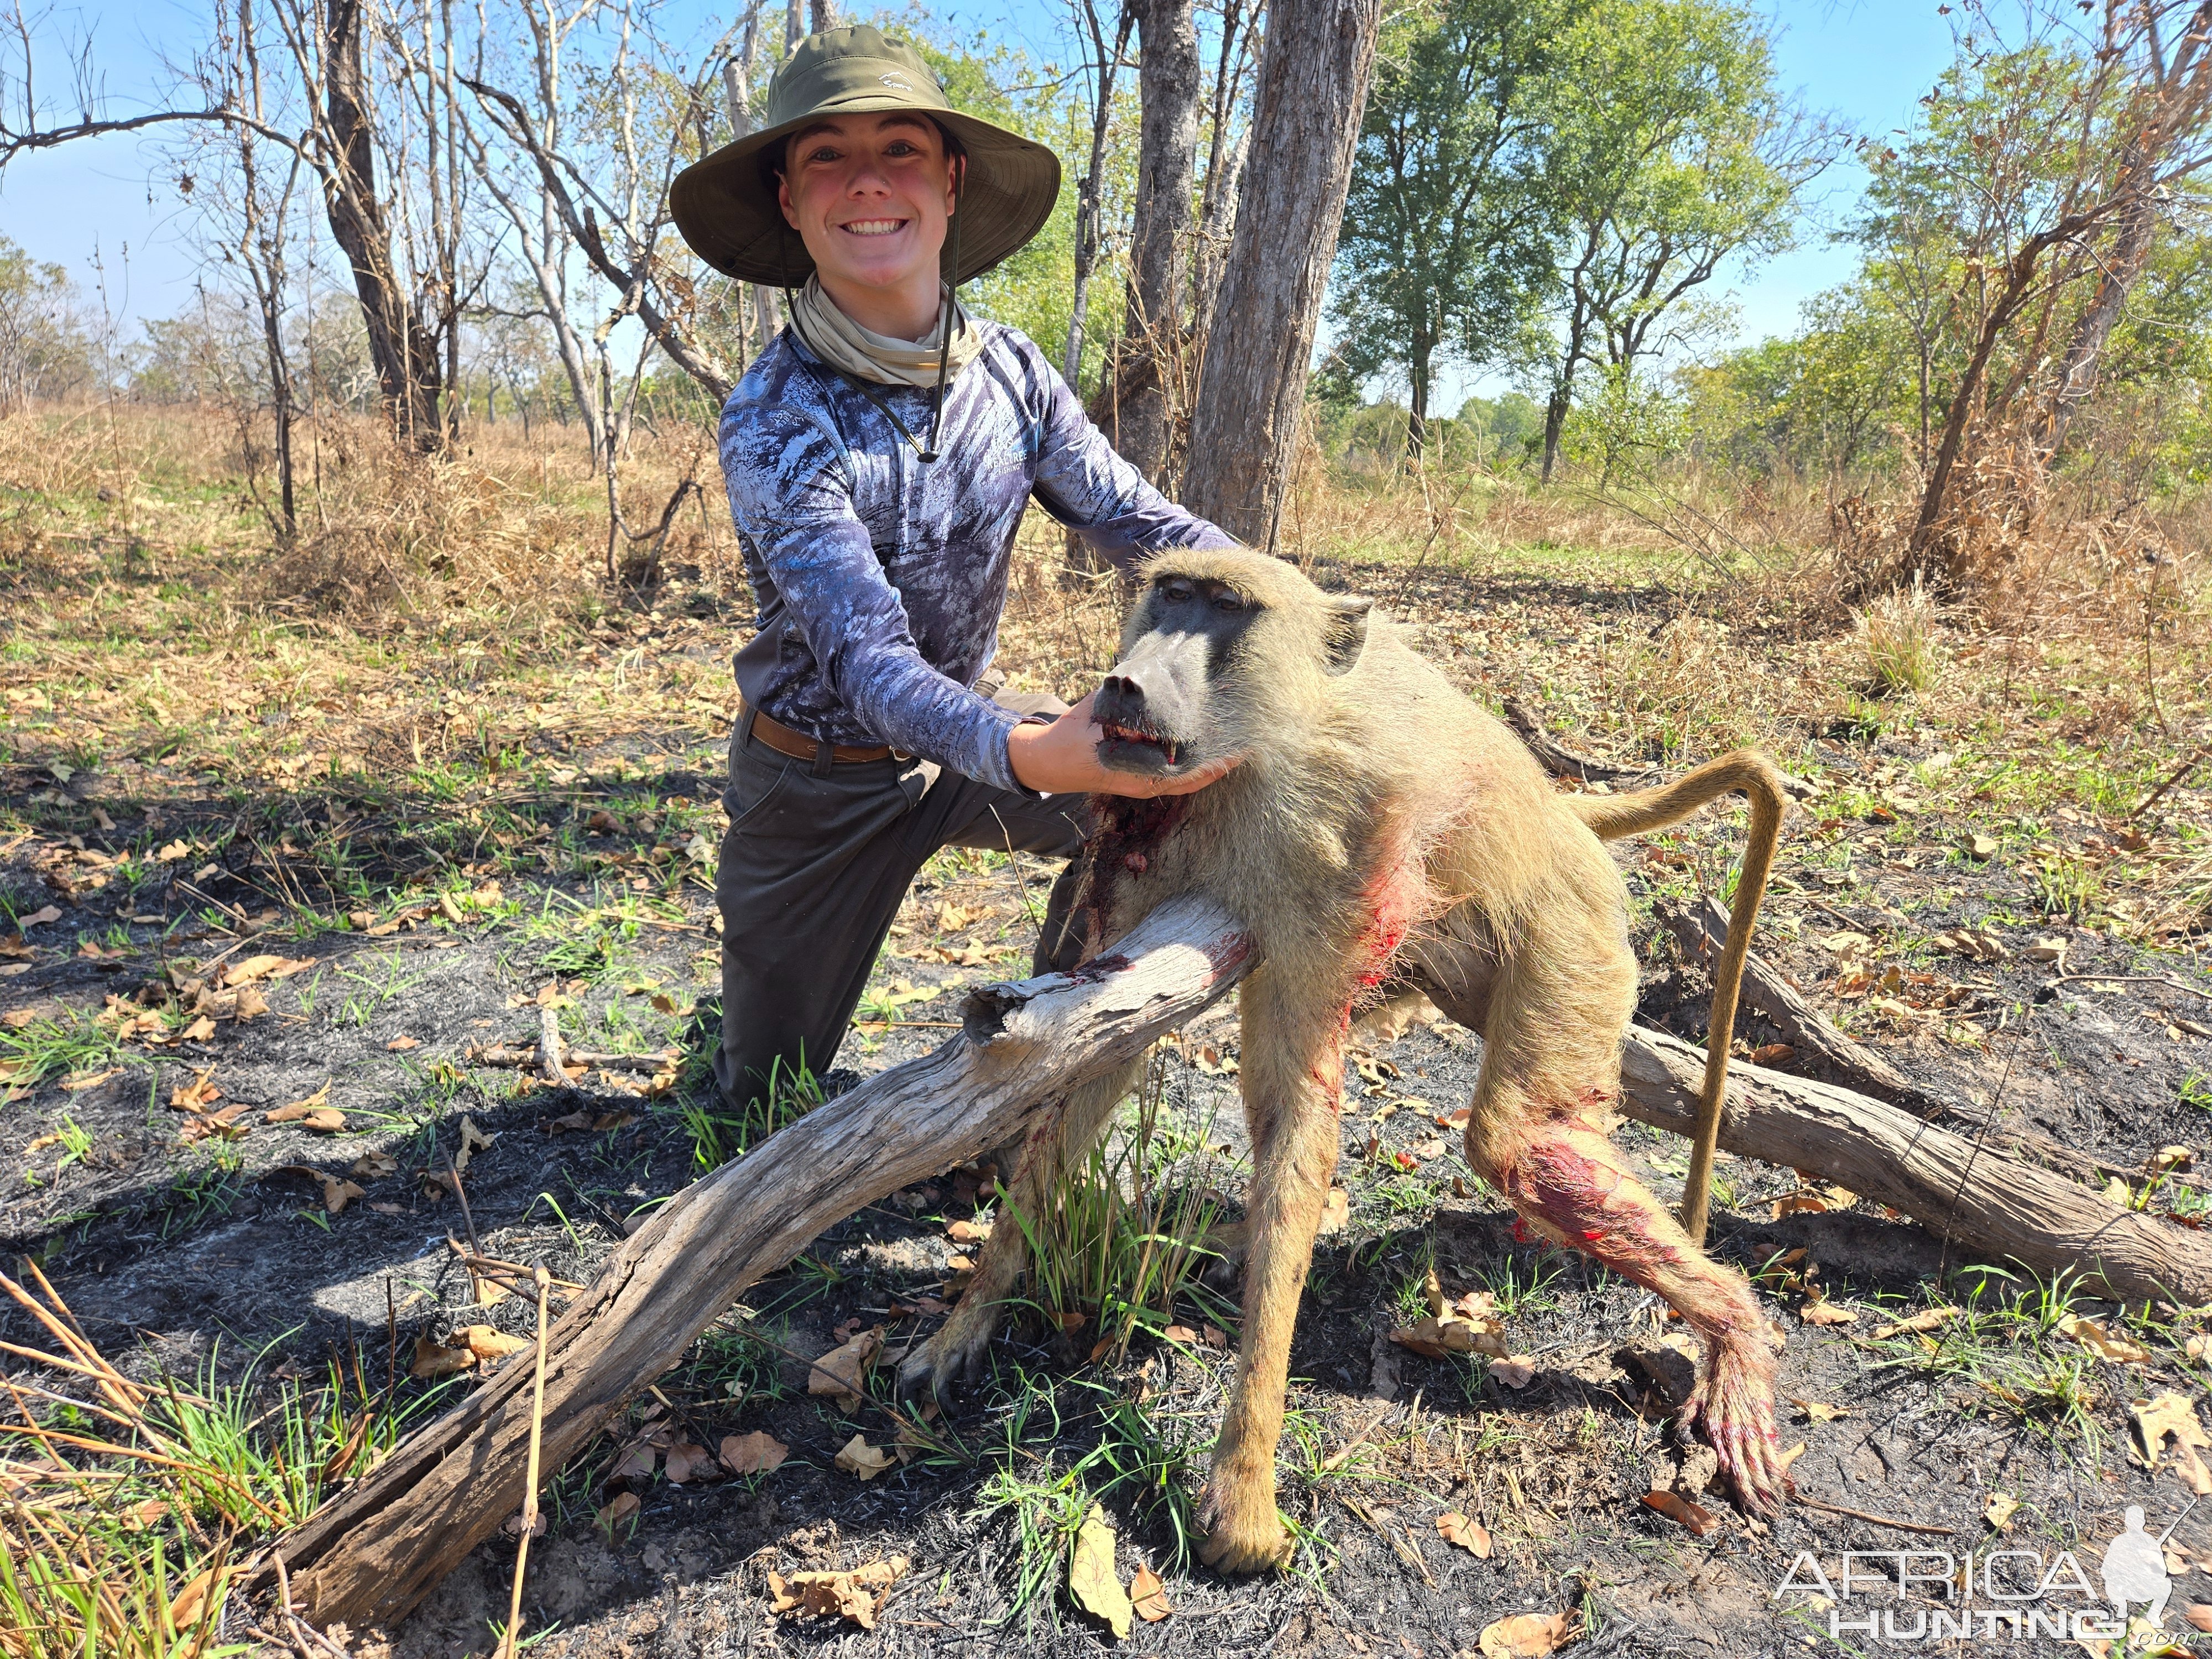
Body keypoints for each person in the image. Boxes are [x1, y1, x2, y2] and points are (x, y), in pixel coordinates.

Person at [670, 25, 1237, 1114]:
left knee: (1154, 814)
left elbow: (1130, 517)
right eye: (826, 156)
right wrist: (1035, 752)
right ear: (789, 201)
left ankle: (1035, 1078)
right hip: (813, 784)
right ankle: (743, 1039)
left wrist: (1278, 600)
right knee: (762, 1105)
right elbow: (868, 664)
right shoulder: (778, 415)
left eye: (900, 149)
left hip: (959, 753)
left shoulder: (1011, 372)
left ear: (950, 181)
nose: (867, 182)